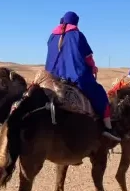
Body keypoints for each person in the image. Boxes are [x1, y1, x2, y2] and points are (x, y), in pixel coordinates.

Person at [45, 11, 121, 142]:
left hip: (51, 77)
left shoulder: (52, 36)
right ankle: (108, 128)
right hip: (75, 77)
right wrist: (93, 67)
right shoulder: (77, 35)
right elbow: (88, 58)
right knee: (100, 94)